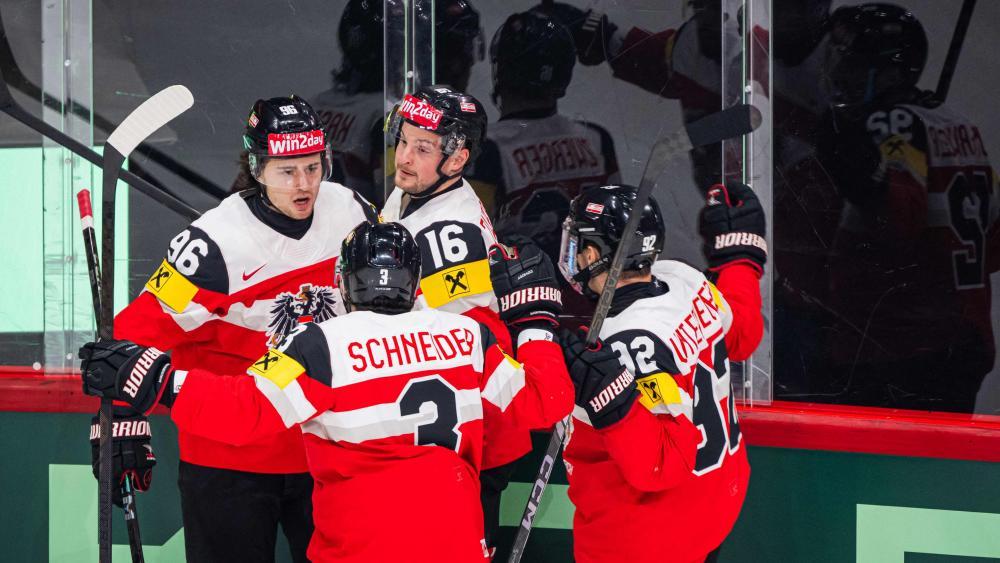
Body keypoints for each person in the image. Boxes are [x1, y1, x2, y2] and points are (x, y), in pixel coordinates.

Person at [79, 221, 573, 563]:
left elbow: (246, 412)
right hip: (454, 545)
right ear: (416, 281)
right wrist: (536, 324)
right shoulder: (467, 337)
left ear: (341, 281)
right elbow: (546, 402)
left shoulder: (320, 345)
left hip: (360, 549)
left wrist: (156, 380)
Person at [100, 95, 376, 562]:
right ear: (257, 167)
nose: (304, 184)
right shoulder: (212, 244)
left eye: (313, 167)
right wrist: (121, 416)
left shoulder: (349, 209)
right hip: (230, 461)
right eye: (287, 172)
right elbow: (133, 334)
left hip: (323, 450)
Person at [382, 84, 557, 554]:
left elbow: (406, 332)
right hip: (446, 426)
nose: (404, 157)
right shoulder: (416, 196)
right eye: (403, 141)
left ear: (456, 160)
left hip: (469, 435)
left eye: (422, 148)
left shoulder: (448, 232)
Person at [556, 183, 765, 562]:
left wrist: (612, 400)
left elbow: (658, 464)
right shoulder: (685, 280)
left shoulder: (622, 343)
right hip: (711, 509)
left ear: (592, 253)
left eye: (577, 244)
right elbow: (744, 333)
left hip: (642, 540)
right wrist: (738, 259)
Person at [815, 3, 999, 412]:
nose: (839, 74)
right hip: (963, 339)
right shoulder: (957, 124)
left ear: (891, 70)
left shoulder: (889, 124)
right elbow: (995, 240)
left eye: (853, 64)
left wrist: (864, 179)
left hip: (898, 346)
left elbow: (899, 216)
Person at [469, 9, 619, 334]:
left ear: (502, 69)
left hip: (524, 308)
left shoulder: (488, 148)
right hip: (592, 313)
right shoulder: (597, 139)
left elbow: (472, 241)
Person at [309, 0, 485, 205]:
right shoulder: (389, 116)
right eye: (457, 50)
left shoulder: (316, 107)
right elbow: (403, 205)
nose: (466, 63)